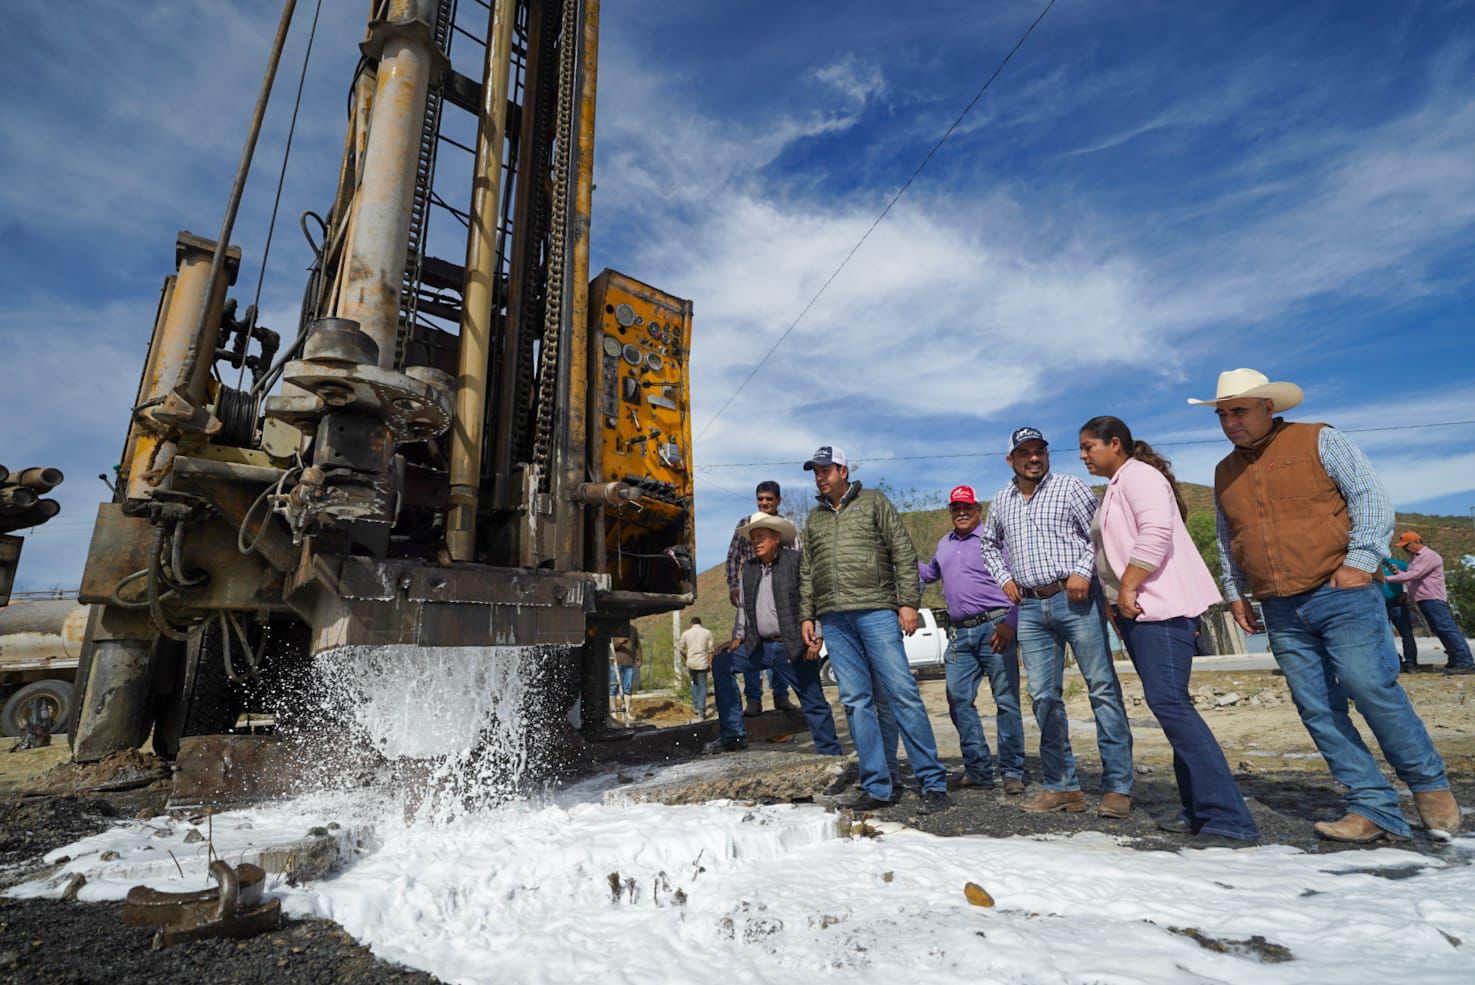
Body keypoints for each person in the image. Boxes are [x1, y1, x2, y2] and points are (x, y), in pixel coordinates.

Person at [1192, 367, 1461, 841]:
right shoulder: (1224, 471)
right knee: (1316, 706)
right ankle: (1372, 805)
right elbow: (1226, 534)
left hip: (1341, 590)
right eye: (1223, 414)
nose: (1230, 421)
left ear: (1267, 407)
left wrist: (1359, 560)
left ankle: (1428, 783)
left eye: (1239, 411)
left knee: (1370, 686)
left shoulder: (1318, 440)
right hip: (1279, 605)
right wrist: (1235, 593)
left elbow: (1370, 498)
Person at [1079, 416, 1260, 848]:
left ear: (1115, 444)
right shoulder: (1120, 483)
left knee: (1171, 704)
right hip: (1139, 612)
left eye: (1089, 447)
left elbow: (1156, 533)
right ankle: (1198, 809)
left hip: (1159, 609)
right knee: (1170, 706)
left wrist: (1128, 585)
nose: (1084, 456)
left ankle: (1229, 819)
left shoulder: (1141, 477)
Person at [980, 427, 1135, 818]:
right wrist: (1004, 579)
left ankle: (1118, 786)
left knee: (1101, 688)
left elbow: (1099, 535)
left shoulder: (1071, 487)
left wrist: (1084, 571)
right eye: (1025, 453)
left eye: (1039, 451)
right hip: (1031, 609)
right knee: (1044, 697)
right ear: (1010, 460)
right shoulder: (1001, 502)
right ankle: (1063, 786)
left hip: (1075, 599)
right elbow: (988, 544)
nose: (1034, 458)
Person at [798, 445, 951, 813]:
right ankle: (878, 785)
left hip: (877, 612)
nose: (820, 476)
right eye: (815, 471)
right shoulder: (815, 519)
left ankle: (932, 782)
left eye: (826, 469)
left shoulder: (873, 502)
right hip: (835, 619)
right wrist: (808, 615)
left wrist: (908, 602)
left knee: (901, 695)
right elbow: (807, 570)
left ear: (844, 471)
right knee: (855, 702)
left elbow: (902, 550)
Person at [918, 484, 1026, 795]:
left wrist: (1011, 623)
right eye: (956, 507)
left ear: (978, 510)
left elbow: (1017, 581)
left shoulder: (994, 542)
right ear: (951, 511)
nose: (961, 512)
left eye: (967, 507)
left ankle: (1012, 771)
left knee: (1006, 701)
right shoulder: (944, 544)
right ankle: (978, 769)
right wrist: (897, 555)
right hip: (959, 633)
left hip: (995, 628)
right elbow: (927, 575)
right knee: (957, 699)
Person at [710, 512, 842, 754]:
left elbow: (814, 599)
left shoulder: (796, 561)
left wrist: (818, 635)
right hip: (758, 646)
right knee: (722, 663)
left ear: (776, 538)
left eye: (761, 536)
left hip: (791, 645)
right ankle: (733, 735)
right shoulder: (748, 569)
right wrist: (737, 636)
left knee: (813, 700)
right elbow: (744, 607)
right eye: (753, 538)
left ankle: (830, 753)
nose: (756, 542)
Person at [725, 481, 795, 715]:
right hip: (751, 591)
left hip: (780, 594)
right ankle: (753, 699)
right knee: (749, 645)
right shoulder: (745, 524)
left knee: (779, 646)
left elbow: (797, 558)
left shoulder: (786, 528)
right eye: (760, 499)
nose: (764, 503)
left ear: (778, 501)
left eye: (769, 499)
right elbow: (733, 556)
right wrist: (734, 585)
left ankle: (781, 695)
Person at [1385, 532, 1474, 674]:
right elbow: (1412, 578)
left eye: (1406, 546)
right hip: (1424, 599)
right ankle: (1455, 660)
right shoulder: (1415, 559)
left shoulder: (1429, 556)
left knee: (1446, 629)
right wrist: (1398, 573)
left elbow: (1415, 575)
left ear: (1415, 542)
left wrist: (1387, 578)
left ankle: (1465, 662)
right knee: (1440, 629)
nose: (1405, 549)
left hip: (1433, 598)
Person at [1379, 556, 1420, 673]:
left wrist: (1406, 592)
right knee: (1384, 636)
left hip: (1397, 602)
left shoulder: (1398, 564)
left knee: (1406, 633)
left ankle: (1411, 663)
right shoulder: (1368, 566)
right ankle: (1395, 662)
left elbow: (1413, 578)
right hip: (1378, 604)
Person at [677, 617, 715, 719]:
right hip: (702, 662)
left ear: (691, 623)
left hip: (691, 662)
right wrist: (710, 663)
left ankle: (696, 707)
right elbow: (711, 650)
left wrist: (686, 657)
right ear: (700, 623)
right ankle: (702, 711)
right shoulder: (707, 632)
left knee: (694, 683)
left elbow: (681, 648)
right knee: (702, 686)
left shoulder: (686, 633)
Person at [609, 625, 642, 698]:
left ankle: (627, 708)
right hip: (615, 663)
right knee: (613, 687)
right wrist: (619, 642)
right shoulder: (611, 628)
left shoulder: (633, 629)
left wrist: (639, 658)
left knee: (628, 687)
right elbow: (609, 645)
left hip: (630, 663)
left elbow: (637, 645)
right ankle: (613, 708)